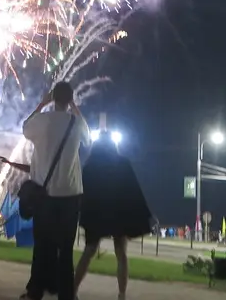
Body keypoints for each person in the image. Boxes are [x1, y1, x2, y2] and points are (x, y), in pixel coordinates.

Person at [19, 82, 90, 300]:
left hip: (45, 195)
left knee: (42, 247)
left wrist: (42, 103)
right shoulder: (76, 123)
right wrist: (74, 107)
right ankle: (65, 295)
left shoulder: (43, 121)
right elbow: (89, 138)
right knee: (66, 250)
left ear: (52, 97)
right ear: (70, 100)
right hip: (70, 195)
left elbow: (25, 127)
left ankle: (35, 292)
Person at [74, 133, 153, 300]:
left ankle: (72, 291)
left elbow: (84, 192)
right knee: (121, 254)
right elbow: (133, 190)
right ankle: (121, 294)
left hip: (96, 214)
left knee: (88, 252)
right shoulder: (122, 163)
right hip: (118, 214)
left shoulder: (90, 166)